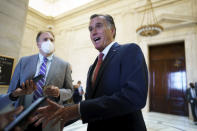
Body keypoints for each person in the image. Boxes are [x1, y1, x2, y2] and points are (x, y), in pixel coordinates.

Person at [33, 14, 148, 131]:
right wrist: (62, 111)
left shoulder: (129, 50)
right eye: (90, 29)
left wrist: (76, 110)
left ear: (112, 30)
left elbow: (134, 97)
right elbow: (90, 104)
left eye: (98, 26)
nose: (93, 32)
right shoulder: (92, 67)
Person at [7, 30, 73, 131]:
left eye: (51, 40)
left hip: (49, 119)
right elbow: (11, 91)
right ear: (38, 44)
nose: (49, 42)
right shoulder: (24, 61)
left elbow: (70, 91)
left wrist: (59, 92)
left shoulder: (64, 65)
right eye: (45, 39)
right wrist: (17, 93)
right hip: (23, 117)